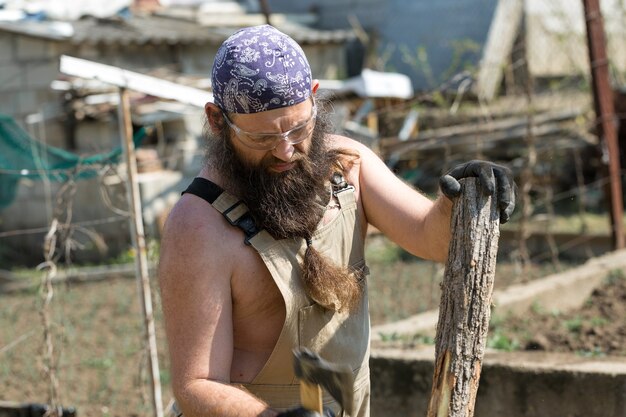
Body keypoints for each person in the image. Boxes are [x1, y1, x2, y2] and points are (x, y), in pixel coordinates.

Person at [158, 24, 515, 417]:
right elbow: (197, 384)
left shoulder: (347, 168)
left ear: (314, 99)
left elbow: (431, 240)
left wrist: (459, 205)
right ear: (216, 120)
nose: (285, 151)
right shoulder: (198, 225)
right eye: (261, 139)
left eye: (298, 128)